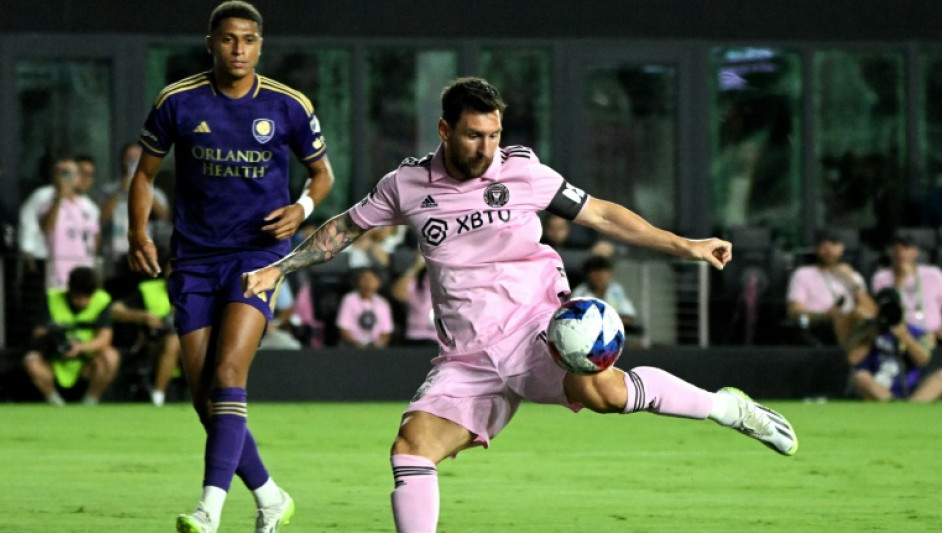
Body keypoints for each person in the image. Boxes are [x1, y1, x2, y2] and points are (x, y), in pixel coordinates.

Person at [242, 77, 798, 532]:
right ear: (445, 129)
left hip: (541, 331)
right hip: (466, 357)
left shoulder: (523, 171)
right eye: (473, 136)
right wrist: (277, 268)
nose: (486, 148)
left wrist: (686, 245)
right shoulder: (405, 184)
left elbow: (601, 213)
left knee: (604, 394)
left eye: (494, 134)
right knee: (410, 448)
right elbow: (342, 228)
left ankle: (731, 409)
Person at [127, 2, 335, 532]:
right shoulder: (178, 101)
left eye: (247, 40)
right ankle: (270, 497)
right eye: (227, 39)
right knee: (204, 400)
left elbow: (322, 175)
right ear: (211, 43)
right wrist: (137, 233)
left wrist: (302, 210)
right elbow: (145, 174)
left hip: (258, 256)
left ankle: (209, 510)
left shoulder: (288, 105)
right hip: (194, 258)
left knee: (227, 375)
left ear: (260, 46)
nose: (238, 49)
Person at [22, 266, 119, 406]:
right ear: (70, 290)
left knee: (111, 356)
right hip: (55, 359)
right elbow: (38, 334)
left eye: (87, 297)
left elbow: (104, 339)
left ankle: (90, 401)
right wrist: (54, 339)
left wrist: (79, 347)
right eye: (78, 297)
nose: (82, 302)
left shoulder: (102, 300)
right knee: (31, 361)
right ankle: (55, 402)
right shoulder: (51, 298)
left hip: (85, 362)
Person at [846, 288, 942, 402]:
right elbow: (852, 360)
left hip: (913, 387)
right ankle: (893, 404)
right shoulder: (868, 330)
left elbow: (925, 362)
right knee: (861, 377)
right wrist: (872, 331)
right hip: (881, 387)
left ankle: (913, 406)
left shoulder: (916, 332)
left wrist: (905, 337)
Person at [786, 230, 875, 346]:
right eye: (824, 245)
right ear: (816, 249)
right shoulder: (803, 274)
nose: (829, 250)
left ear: (841, 248)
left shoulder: (853, 276)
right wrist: (824, 316)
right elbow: (794, 312)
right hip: (819, 327)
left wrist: (852, 281)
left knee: (863, 316)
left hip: (853, 327)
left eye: (834, 244)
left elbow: (872, 313)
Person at [109, 269, 181, 407]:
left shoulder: (201, 289)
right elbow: (115, 310)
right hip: (154, 345)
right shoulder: (149, 289)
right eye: (171, 265)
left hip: (192, 347)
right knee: (173, 341)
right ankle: (158, 396)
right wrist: (143, 316)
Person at [100, 142, 170, 276]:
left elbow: (163, 215)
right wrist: (121, 190)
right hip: (114, 255)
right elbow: (102, 217)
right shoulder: (109, 189)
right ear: (122, 161)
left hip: (142, 251)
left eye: (137, 157)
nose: (133, 161)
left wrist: (141, 189)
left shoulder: (156, 192)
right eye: (129, 158)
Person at [39, 157, 101, 290]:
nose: (67, 178)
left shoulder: (87, 206)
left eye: (70, 173)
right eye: (63, 173)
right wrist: (60, 197)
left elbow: (94, 237)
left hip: (84, 274)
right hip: (58, 276)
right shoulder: (47, 203)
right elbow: (47, 227)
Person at [870, 232, 942, 342]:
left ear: (915, 251)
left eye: (906, 248)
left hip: (934, 336)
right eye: (896, 248)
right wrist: (900, 280)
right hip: (899, 337)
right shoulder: (880, 278)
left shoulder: (933, 274)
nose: (900, 252)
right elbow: (886, 313)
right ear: (890, 252)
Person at [570, 254, 642, 335]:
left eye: (604, 271)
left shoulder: (616, 290)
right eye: (595, 272)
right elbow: (575, 320)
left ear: (610, 274)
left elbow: (628, 316)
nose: (600, 276)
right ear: (587, 275)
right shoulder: (580, 293)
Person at [336, 267, 394, 348]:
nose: (367, 283)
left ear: (378, 283)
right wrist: (357, 345)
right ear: (358, 282)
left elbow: (386, 332)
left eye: (371, 279)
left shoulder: (383, 303)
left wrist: (377, 345)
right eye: (364, 279)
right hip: (352, 347)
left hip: (375, 348)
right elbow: (343, 328)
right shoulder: (349, 300)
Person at [390, 252, 437, 346]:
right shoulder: (418, 282)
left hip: (443, 340)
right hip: (416, 337)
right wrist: (415, 267)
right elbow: (397, 294)